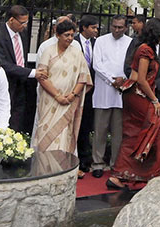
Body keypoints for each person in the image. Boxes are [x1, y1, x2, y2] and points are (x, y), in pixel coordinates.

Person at [107, 18, 160, 189]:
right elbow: (141, 79)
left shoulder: (141, 48)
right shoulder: (146, 50)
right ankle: (150, 175)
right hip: (139, 95)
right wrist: (154, 100)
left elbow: (135, 77)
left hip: (133, 94)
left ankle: (121, 175)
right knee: (157, 129)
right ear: (157, 33)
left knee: (134, 133)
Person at [32, 19, 92, 153]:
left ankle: (62, 171)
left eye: (72, 35)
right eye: (67, 35)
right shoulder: (48, 51)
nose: (70, 38)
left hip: (69, 102)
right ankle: (45, 170)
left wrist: (72, 95)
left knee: (65, 136)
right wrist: (58, 96)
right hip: (50, 101)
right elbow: (42, 77)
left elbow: (83, 78)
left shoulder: (77, 52)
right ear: (58, 35)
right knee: (45, 134)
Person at [0, 5, 46, 133]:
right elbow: (2, 63)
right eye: (22, 22)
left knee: (18, 119)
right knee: (2, 118)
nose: (24, 25)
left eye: (26, 22)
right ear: (11, 20)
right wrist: (31, 73)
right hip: (7, 83)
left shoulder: (22, 34)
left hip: (22, 84)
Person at [91, 15, 132, 177]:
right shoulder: (100, 41)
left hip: (122, 92)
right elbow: (97, 65)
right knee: (100, 130)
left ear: (126, 28)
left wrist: (123, 81)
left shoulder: (130, 42)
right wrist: (111, 80)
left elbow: (131, 65)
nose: (116, 30)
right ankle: (98, 164)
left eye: (120, 27)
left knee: (118, 132)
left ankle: (116, 164)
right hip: (103, 91)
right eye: (114, 26)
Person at [75, 14, 99, 174]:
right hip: (76, 89)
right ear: (84, 28)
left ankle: (85, 159)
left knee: (85, 125)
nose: (96, 30)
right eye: (93, 27)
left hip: (91, 89)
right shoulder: (74, 42)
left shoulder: (97, 43)